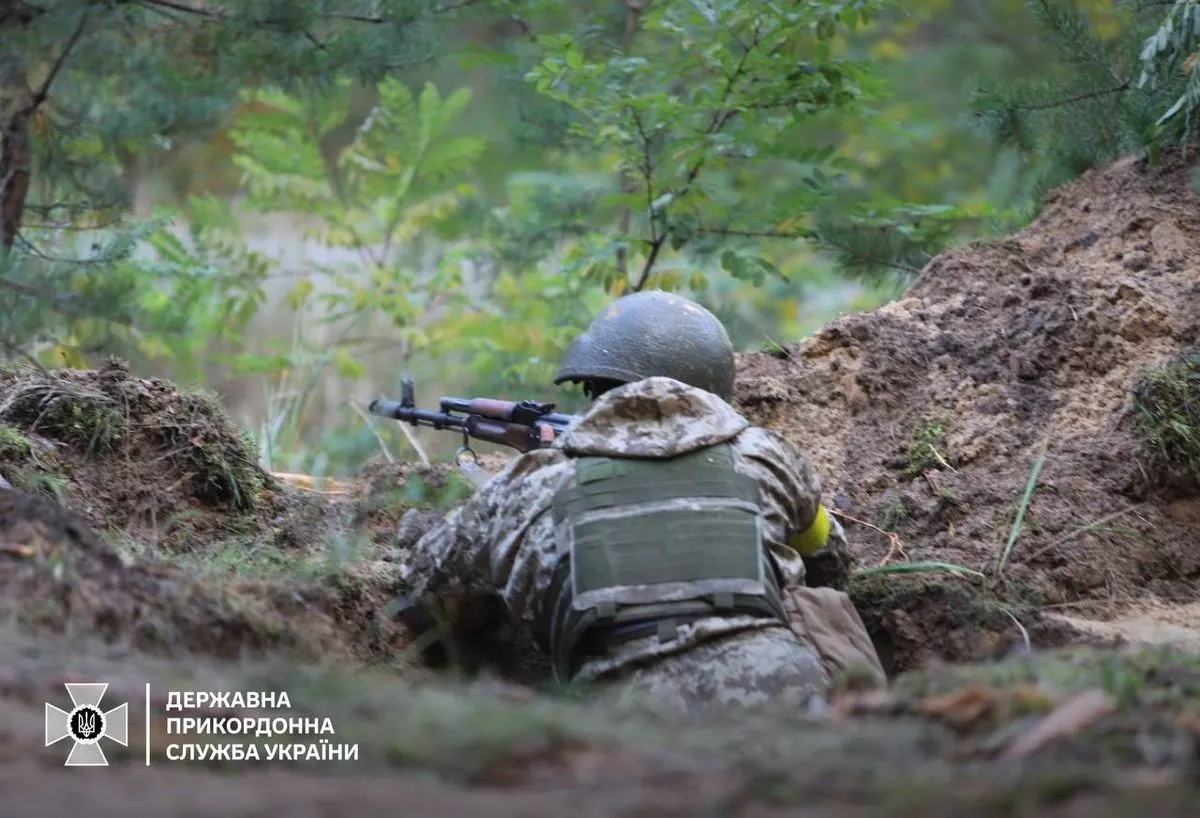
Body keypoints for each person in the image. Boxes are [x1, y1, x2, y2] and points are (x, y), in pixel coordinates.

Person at [392, 290, 885, 716]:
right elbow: (830, 559)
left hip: (626, 731)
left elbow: (422, 585)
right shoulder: (768, 456)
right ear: (714, 385)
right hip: (791, 704)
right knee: (819, 601)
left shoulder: (533, 484)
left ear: (592, 389)